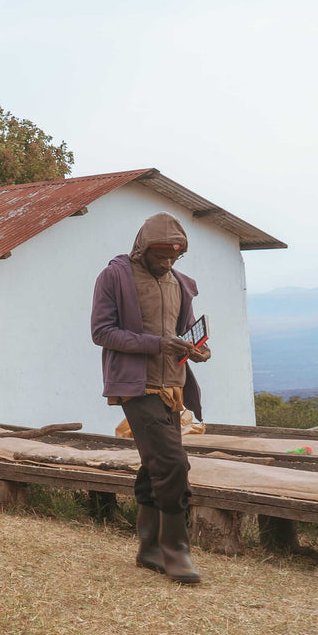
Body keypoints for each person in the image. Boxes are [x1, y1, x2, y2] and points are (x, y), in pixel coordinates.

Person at [91, 212, 211, 585]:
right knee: (174, 464)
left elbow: (183, 331)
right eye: (161, 256)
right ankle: (176, 550)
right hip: (136, 386)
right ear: (142, 249)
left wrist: (196, 349)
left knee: (154, 463)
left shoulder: (181, 284)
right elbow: (102, 332)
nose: (168, 263)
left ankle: (149, 549)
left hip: (173, 385)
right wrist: (156, 344)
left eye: (175, 257)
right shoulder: (115, 276)